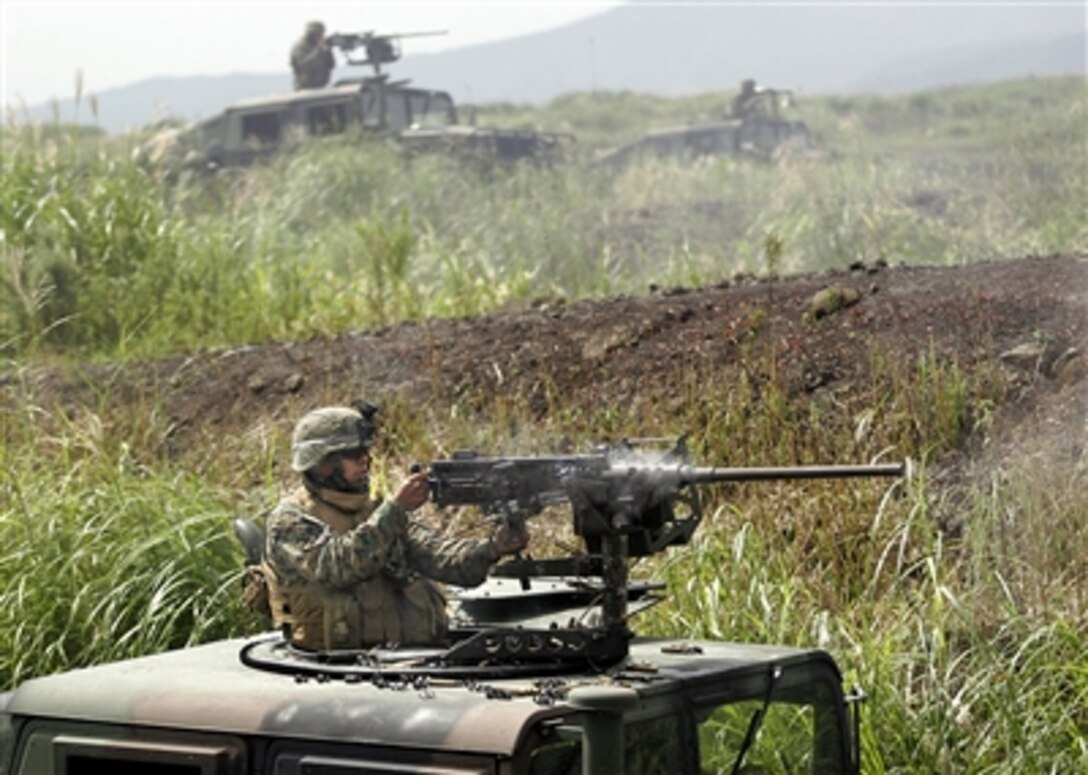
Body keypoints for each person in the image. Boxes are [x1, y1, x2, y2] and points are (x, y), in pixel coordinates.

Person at [262, 402, 529, 651]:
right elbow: (337, 566)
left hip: (402, 661)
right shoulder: (290, 520)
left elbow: (438, 555)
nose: (365, 460)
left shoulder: (378, 513)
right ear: (321, 462)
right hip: (332, 670)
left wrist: (492, 548)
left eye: (366, 451)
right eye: (353, 454)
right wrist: (396, 509)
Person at [290, 20, 336, 90]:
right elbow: (306, 65)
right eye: (316, 34)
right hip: (304, 88)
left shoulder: (320, 47)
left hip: (320, 87)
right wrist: (319, 50)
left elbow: (331, 64)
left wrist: (327, 49)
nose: (319, 36)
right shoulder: (300, 46)